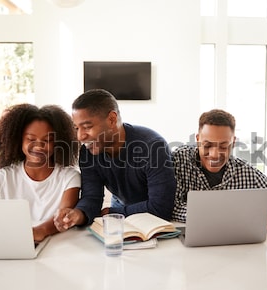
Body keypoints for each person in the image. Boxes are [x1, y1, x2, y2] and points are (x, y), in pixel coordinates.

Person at [54, 89, 176, 231]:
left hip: (152, 220)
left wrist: (112, 213)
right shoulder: (88, 152)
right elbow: (92, 197)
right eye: (76, 128)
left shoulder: (153, 146)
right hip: (121, 212)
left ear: (112, 119)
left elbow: (161, 207)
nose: (80, 136)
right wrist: (78, 213)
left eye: (87, 127)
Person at [172, 109, 267, 230]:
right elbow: (170, 205)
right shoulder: (179, 161)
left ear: (233, 142)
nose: (215, 154)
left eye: (223, 146)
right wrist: (220, 215)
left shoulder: (245, 172)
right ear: (198, 139)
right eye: (207, 145)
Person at [0, 103, 80, 242]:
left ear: (57, 143)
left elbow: (64, 217)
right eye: (31, 139)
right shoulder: (3, 177)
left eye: (47, 140)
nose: (38, 146)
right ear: (18, 140)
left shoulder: (69, 177)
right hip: (11, 243)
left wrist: (40, 231)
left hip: (56, 245)